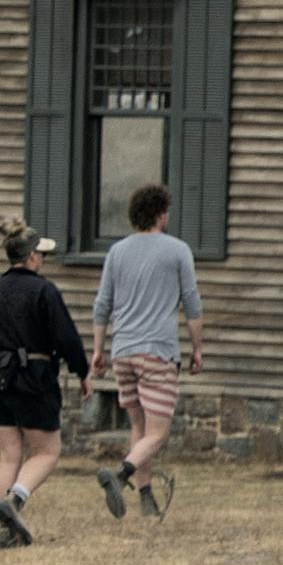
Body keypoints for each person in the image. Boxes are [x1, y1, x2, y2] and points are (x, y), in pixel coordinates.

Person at [0, 226, 83, 547]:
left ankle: (7, 533)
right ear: (31, 256)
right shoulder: (44, 291)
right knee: (47, 451)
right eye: (41, 253)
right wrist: (82, 371)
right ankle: (14, 501)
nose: (42, 258)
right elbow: (66, 337)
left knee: (9, 455)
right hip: (33, 379)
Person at [91, 183, 203, 518]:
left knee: (139, 430)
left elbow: (102, 305)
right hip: (158, 351)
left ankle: (146, 500)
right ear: (160, 213)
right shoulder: (177, 250)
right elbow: (192, 304)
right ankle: (121, 473)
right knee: (158, 433)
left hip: (123, 351)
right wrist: (197, 348)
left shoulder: (117, 252)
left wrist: (98, 349)